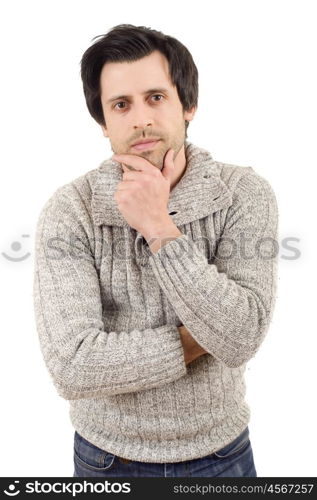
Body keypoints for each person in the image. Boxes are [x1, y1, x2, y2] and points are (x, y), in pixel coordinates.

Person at [33, 23, 279, 478]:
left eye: (156, 97)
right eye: (121, 105)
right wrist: (199, 338)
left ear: (188, 105)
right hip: (106, 460)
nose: (140, 118)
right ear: (103, 124)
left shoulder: (244, 193)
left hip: (222, 455)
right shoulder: (70, 210)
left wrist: (158, 227)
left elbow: (242, 336)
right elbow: (72, 368)